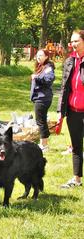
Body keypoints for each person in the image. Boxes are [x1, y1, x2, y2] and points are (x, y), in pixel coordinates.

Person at [58, 30, 84, 188]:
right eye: (72, 42)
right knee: (76, 146)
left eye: (77, 41)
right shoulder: (69, 61)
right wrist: (61, 110)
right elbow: (64, 87)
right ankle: (76, 179)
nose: (74, 44)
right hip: (73, 111)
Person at [30, 49, 55, 151]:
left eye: (41, 55)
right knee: (41, 120)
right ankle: (44, 143)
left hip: (43, 98)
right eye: (37, 55)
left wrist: (37, 78)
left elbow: (49, 80)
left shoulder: (48, 68)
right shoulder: (41, 67)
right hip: (40, 97)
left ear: (46, 57)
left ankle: (44, 145)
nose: (38, 57)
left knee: (40, 121)